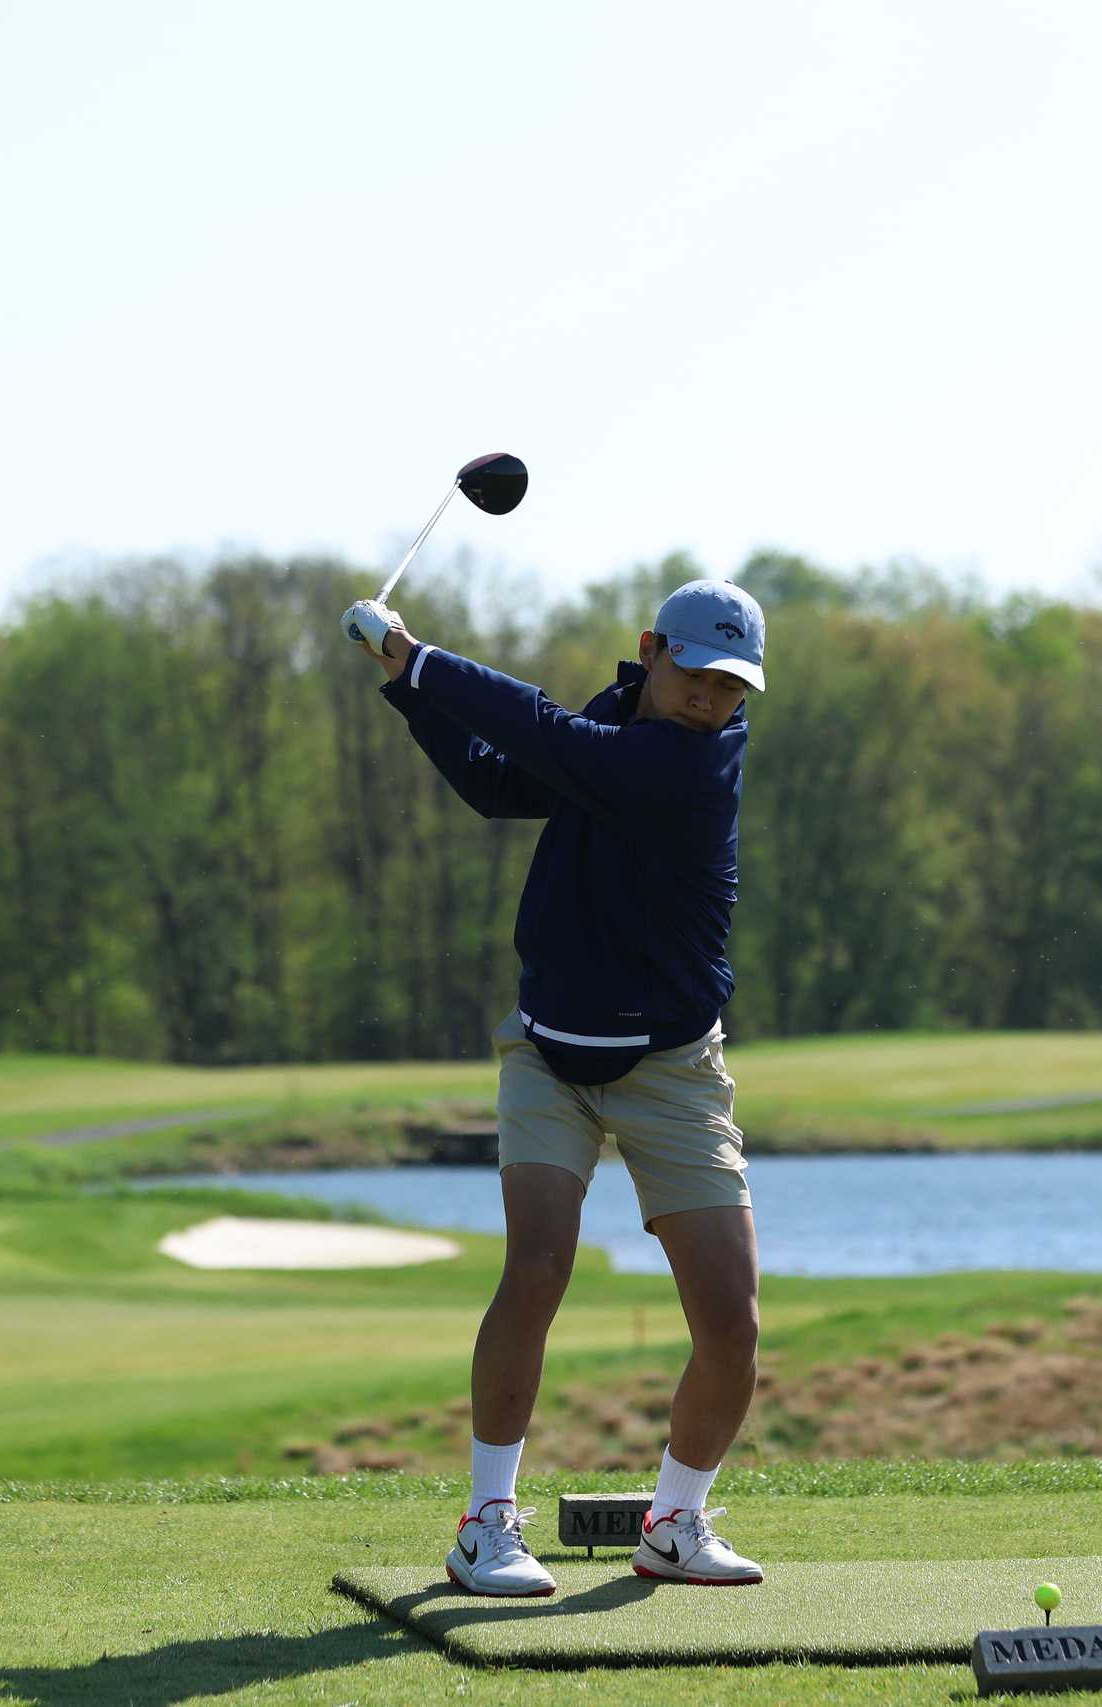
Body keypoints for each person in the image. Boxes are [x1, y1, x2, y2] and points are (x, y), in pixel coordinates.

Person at [341, 578, 769, 1596]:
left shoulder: (689, 761)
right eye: (698, 674)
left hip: (671, 1068)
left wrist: (422, 660)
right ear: (650, 649)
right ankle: (486, 1523)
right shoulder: (617, 721)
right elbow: (500, 782)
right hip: (547, 1056)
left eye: (732, 685)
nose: (713, 697)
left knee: (732, 1322)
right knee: (536, 1266)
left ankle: (676, 1522)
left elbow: (553, 744)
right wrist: (410, 694)